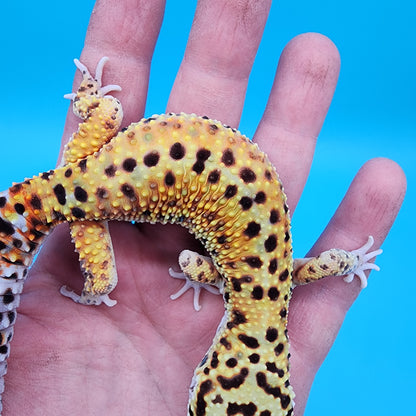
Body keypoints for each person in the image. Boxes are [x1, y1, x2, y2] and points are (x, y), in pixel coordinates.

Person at [3, 0, 405, 414]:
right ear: (210, 365)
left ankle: (93, 103)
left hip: (147, 162)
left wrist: (349, 264)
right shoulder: (237, 284)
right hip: (106, 186)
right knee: (102, 285)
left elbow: (326, 264)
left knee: (110, 109)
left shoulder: (287, 279)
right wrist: (200, 279)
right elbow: (190, 264)